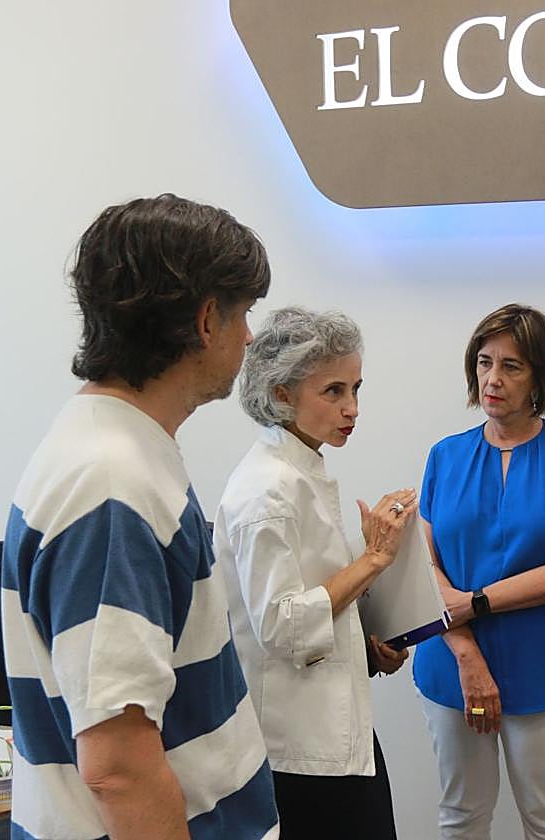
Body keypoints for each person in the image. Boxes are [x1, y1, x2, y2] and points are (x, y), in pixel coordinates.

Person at [0, 194, 280, 840]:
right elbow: (119, 768)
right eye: (243, 315)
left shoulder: (118, 453)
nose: (250, 336)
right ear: (207, 321)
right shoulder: (111, 486)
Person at [214, 306, 418, 839]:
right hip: (296, 751)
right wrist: (373, 559)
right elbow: (282, 627)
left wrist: (370, 649)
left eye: (356, 389)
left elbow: (320, 600)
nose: (352, 408)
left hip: (333, 734)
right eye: (333, 392)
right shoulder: (268, 490)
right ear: (281, 394)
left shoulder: (300, 472)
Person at [413, 303, 545, 840]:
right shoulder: (444, 457)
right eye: (483, 362)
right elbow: (423, 565)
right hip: (452, 660)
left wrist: (475, 602)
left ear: (539, 377)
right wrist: (467, 652)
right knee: (461, 815)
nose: (493, 379)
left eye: (512, 366)